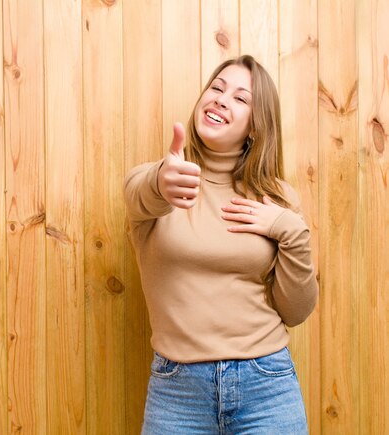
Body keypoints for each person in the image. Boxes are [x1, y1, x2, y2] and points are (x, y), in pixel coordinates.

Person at [124, 54, 318, 434]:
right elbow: (140, 193)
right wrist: (162, 180)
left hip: (267, 384)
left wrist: (290, 231)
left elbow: (295, 311)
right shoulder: (161, 182)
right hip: (177, 391)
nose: (221, 99)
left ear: (255, 128)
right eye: (216, 88)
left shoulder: (277, 199)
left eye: (240, 98)